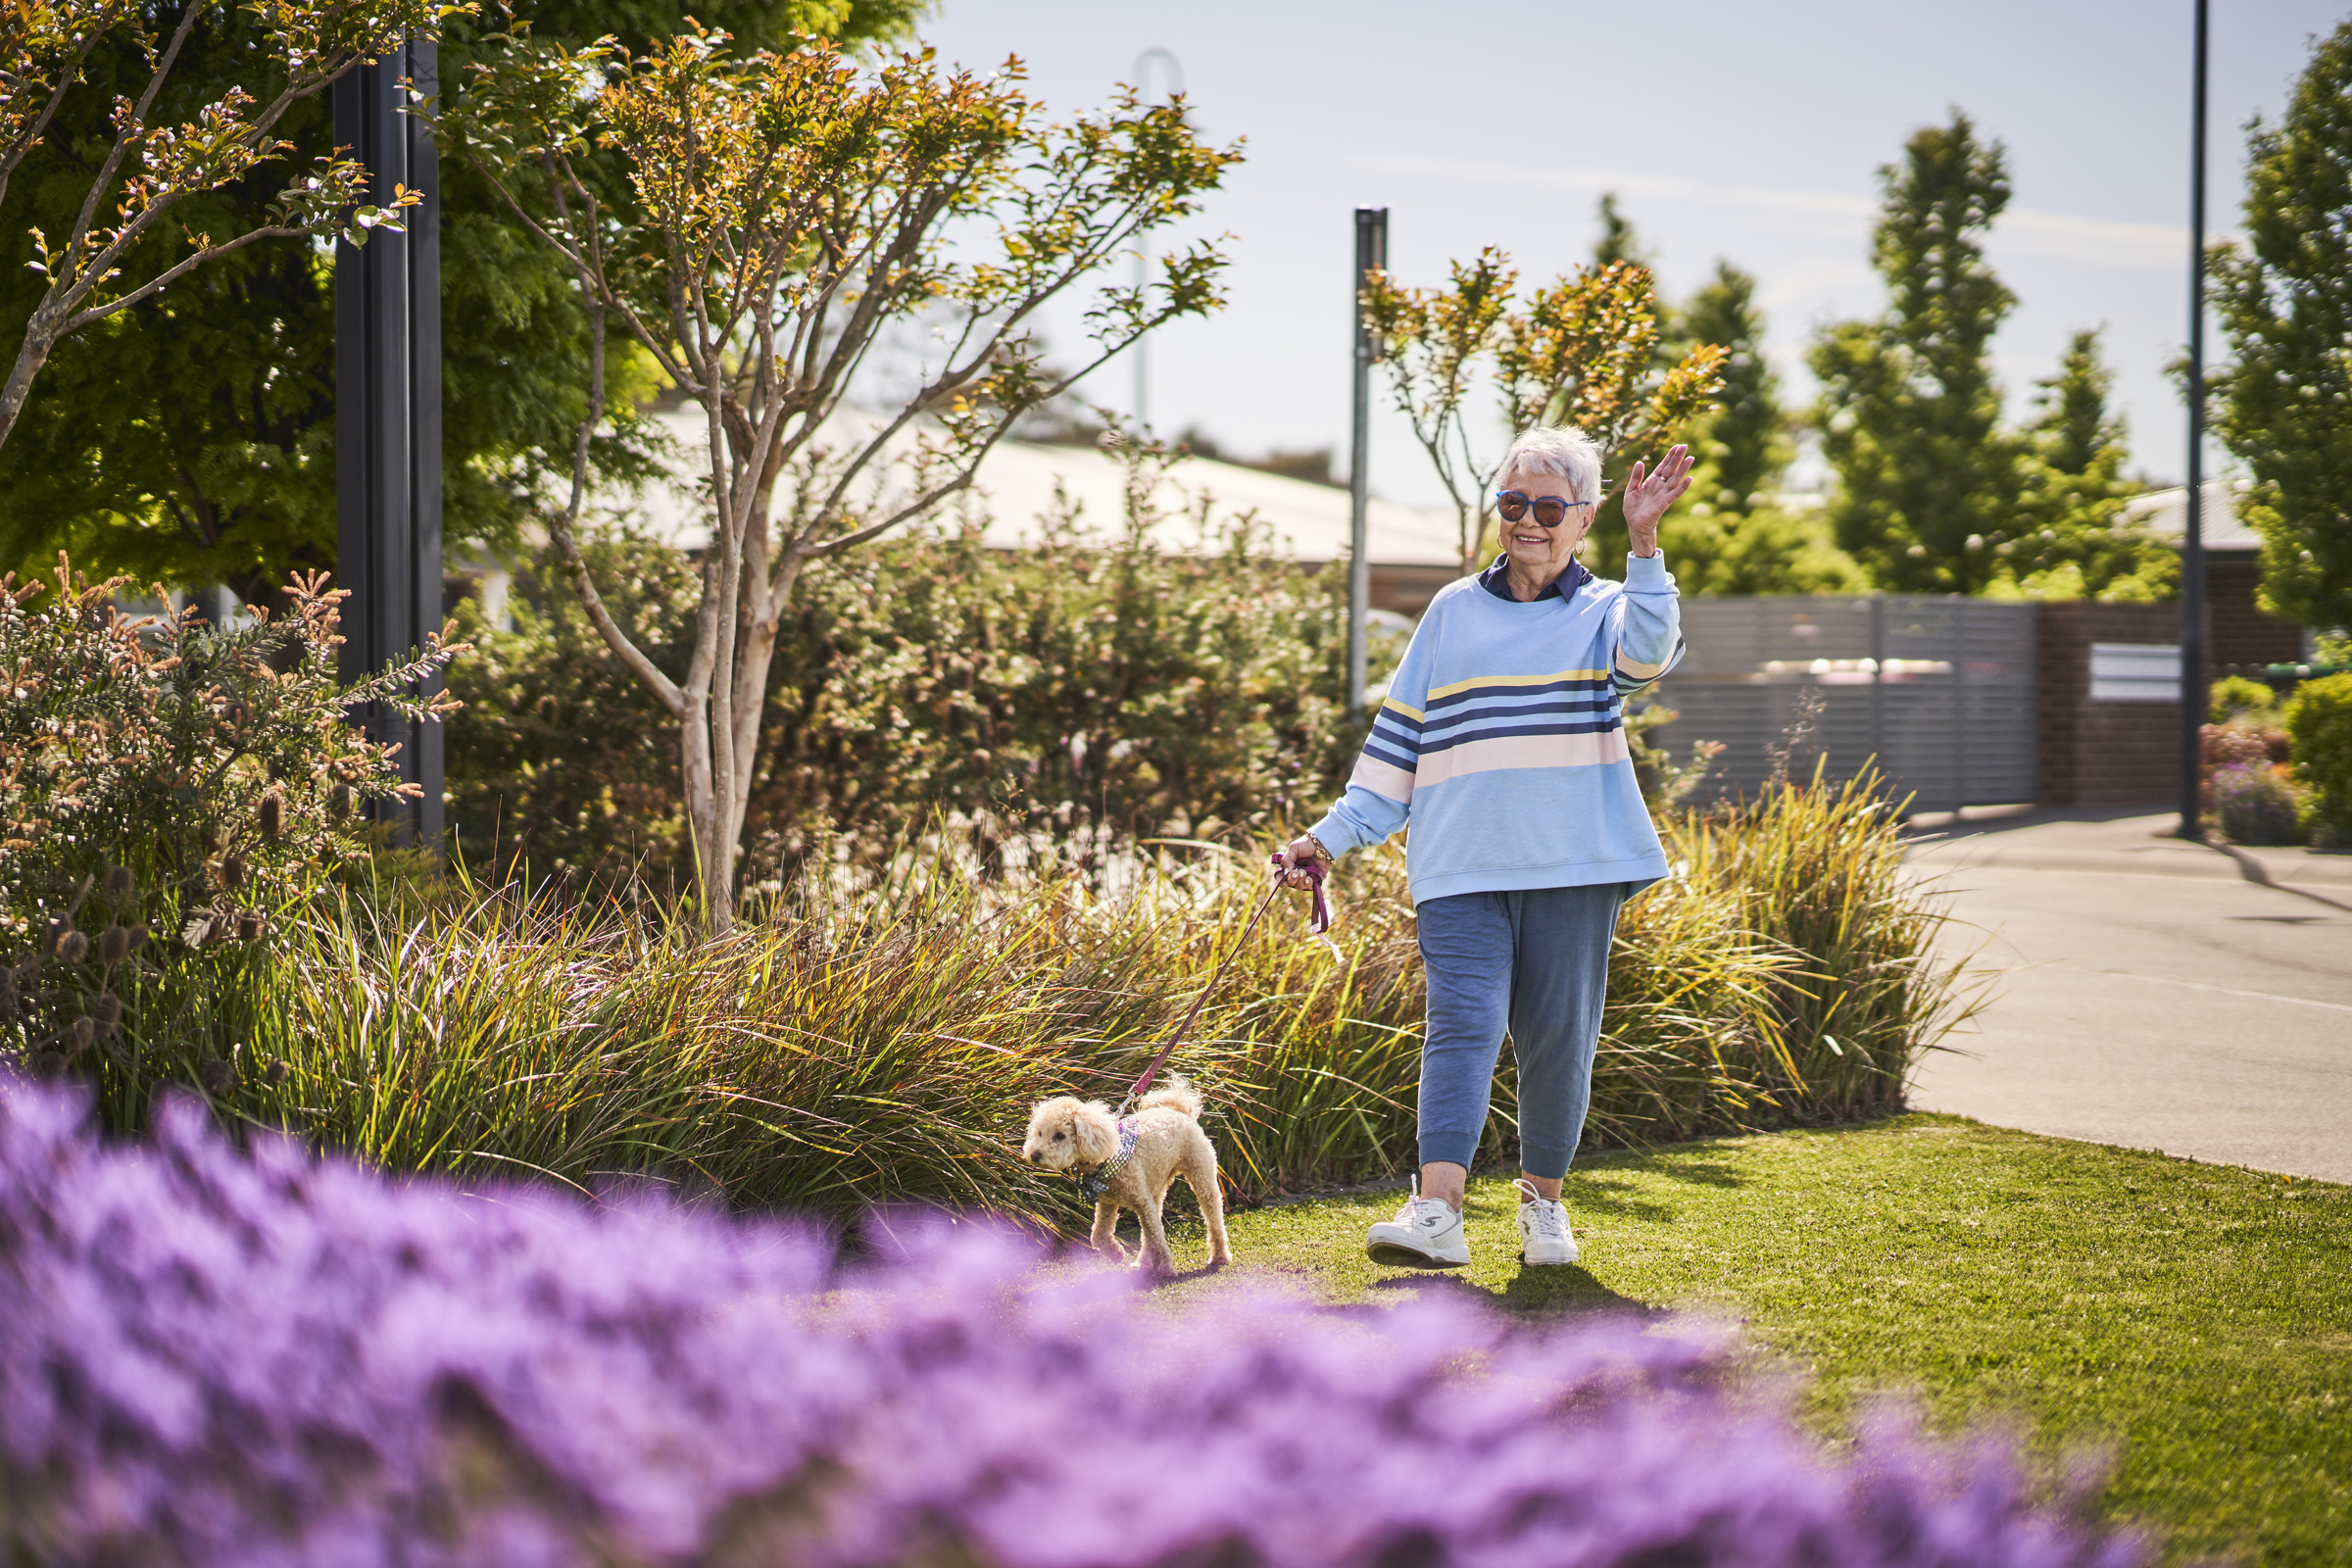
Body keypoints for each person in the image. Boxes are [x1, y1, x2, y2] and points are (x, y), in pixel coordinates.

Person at [1273, 426, 1692, 1268]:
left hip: (1575, 864)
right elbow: (1397, 748)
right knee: (1461, 1026)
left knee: (1557, 1040)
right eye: (1513, 504)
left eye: (1548, 507)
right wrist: (1328, 837)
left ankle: (1544, 1209)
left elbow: (1648, 658)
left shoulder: (1610, 607)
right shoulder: (1452, 612)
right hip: (1460, 866)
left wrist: (1645, 544)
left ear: (1584, 517)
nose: (1528, 522)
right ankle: (1439, 1214)